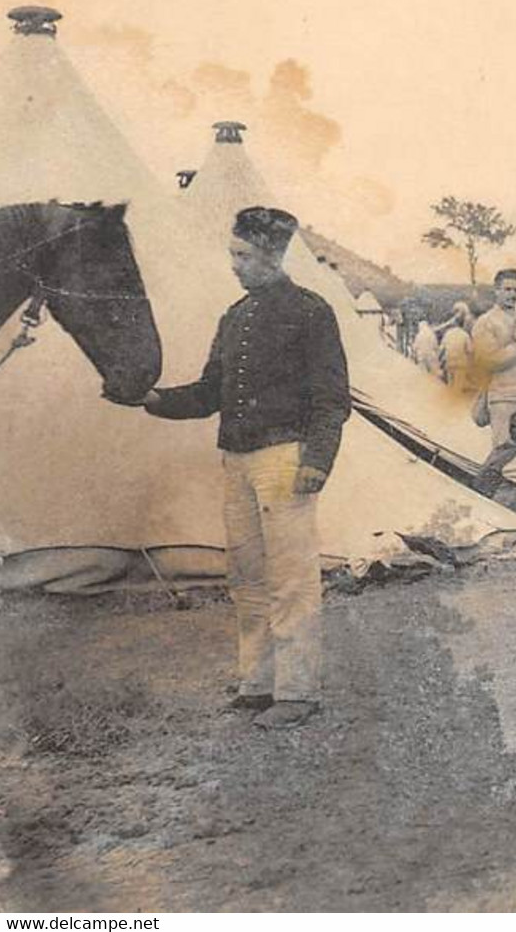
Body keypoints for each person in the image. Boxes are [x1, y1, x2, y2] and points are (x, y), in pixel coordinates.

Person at [136, 207, 350, 730]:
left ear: (273, 256)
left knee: (292, 578)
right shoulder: (233, 318)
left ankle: (298, 692)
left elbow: (332, 399)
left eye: (243, 256)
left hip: (285, 460)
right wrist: (154, 399)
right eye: (233, 254)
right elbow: (212, 392)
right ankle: (258, 683)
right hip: (235, 459)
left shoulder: (311, 312)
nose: (234, 265)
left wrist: (317, 461)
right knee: (246, 577)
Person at [471, 267, 516, 447]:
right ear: (496, 291)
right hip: (502, 396)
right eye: (507, 289)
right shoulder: (487, 322)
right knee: (504, 449)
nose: (512, 294)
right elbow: (491, 360)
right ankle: (490, 476)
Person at [438, 301, 475, 392]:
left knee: (451, 387)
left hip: (450, 364)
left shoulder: (448, 334)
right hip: (461, 366)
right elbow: (470, 352)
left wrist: (441, 363)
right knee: (459, 388)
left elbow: (441, 350)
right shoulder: (464, 335)